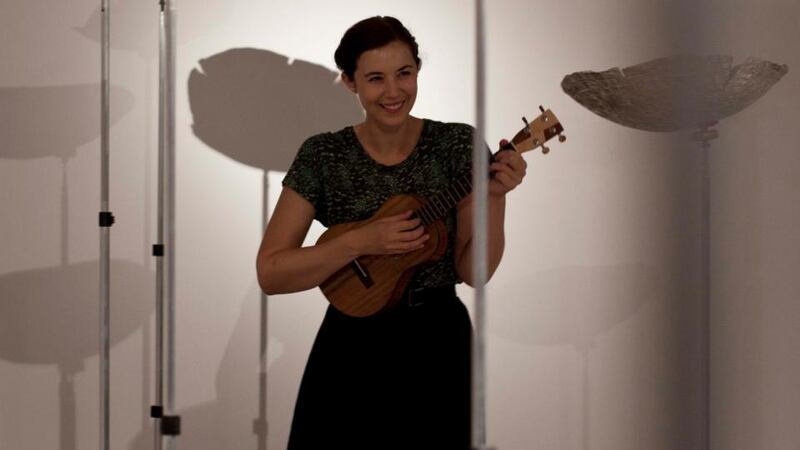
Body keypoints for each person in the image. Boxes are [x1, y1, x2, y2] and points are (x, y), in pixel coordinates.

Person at [255, 16, 527, 449]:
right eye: (376, 78)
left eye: (405, 73)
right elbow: (271, 272)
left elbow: (474, 272)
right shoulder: (324, 155)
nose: (394, 91)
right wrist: (361, 241)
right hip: (351, 340)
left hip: (436, 341)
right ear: (349, 82)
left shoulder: (457, 145)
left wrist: (495, 197)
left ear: (418, 70)